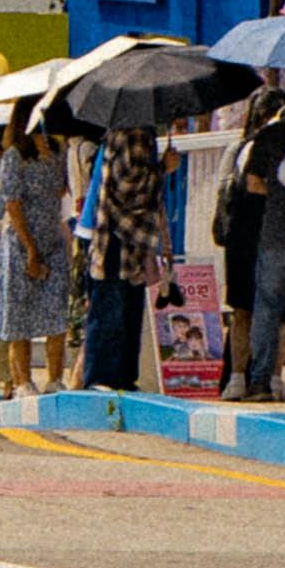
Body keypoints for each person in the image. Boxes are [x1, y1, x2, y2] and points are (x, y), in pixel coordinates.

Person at [0, 110, 78, 396]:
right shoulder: (14, 156)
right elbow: (12, 203)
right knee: (19, 314)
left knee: (56, 312)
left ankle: (55, 377)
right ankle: (22, 381)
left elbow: (62, 190)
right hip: (21, 240)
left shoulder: (57, 151)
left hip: (52, 238)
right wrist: (30, 249)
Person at [77, 119, 171, 395]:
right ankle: (102, 378)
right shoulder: (130, 136)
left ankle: (122, 378)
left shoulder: (137, 134)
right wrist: (162, 169)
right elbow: (126, 186)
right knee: (110, 311)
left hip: (129, 239)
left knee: (128, 312)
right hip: (118, 236)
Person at [222, 85, 285, 400]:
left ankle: (241, 379)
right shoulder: (268, 144)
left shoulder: (241, 146)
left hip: (241, 237)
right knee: (275, 310)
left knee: (245, 309)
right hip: (262, 236)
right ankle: (266, 378)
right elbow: (253, 185)